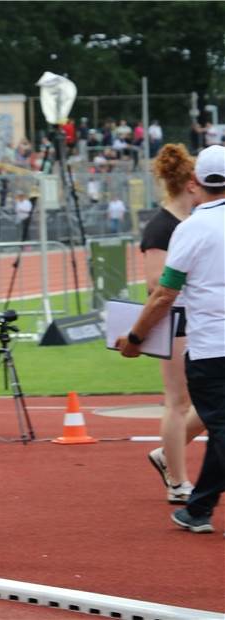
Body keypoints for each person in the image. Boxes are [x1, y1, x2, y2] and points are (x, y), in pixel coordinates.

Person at [118, 144, 225, 534]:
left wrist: (134, 336)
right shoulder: (177, 226)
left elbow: (164, 291)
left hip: (211, 346)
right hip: (207, 343)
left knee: (219, 429)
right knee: (213, 425)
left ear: (197, 183)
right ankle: (197, 506)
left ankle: (196, 505)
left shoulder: (191, 228)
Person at [140, 144, 207, 503]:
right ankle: (179, 482)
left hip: (195, 320)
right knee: (178, 402)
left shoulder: (190, 223)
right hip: (173, 321)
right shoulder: (162, 227)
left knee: (213, 401)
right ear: (190, 184)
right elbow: (155, 284)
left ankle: (168, 454)